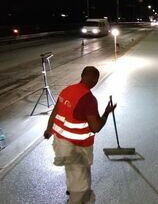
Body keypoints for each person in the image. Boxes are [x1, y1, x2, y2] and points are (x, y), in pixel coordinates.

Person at [44, 66, 116, 204]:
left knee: (70, 169)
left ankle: (71, 188)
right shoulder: (88, 99)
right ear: (95, 80)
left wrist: (49, 130)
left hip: (60, 143)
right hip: (77, 148)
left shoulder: (67, 90)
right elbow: (95, 127)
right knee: (81, 187)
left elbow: (54, 112)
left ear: (82, 76)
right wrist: (106, 113)